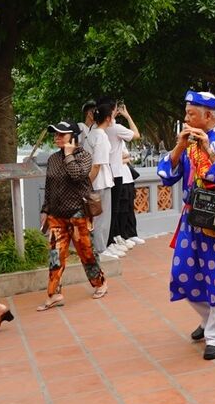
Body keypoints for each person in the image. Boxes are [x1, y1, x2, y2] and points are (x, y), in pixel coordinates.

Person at [157, 91, 215, 360]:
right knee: (183, 274)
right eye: (186, 113)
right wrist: (178, 147)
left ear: (208, 116)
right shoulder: (187, 142)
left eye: (191, 114)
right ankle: (209, 320)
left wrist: (209, 149)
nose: (185, 118)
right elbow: (166, 176)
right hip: (191, 218)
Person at [38, 120, 108, 311]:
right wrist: (45, 209)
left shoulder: (84, 156)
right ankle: (54, 293)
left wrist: (69, 155)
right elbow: (49, 187)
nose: (57, 137)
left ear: (73, 137)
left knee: (86, 252)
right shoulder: (52, 159)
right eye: (56, 134)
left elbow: (78, 175)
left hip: (78, 213)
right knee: (55, 255)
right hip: (56, 216)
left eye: (62, 134)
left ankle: (100, 283)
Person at [102, 100, 142, 252]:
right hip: (116, 174)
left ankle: (112, 239)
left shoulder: (97, 130)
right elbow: (137, 134)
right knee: (113, 210)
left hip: (107, 174)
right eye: (114, 111)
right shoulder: (115, 128)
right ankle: (110, 242)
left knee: (111, 210)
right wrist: (127, 116)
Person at [82, 103, 121, 258]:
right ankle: (101, 249)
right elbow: (97, 166)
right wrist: (87, 184)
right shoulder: (101, 137)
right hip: (100, 183)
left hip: (95, 181)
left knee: (96, 218)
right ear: (107, 118)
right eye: (112, 115)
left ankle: (99, 247)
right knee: (102, 218)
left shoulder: (91, 134)